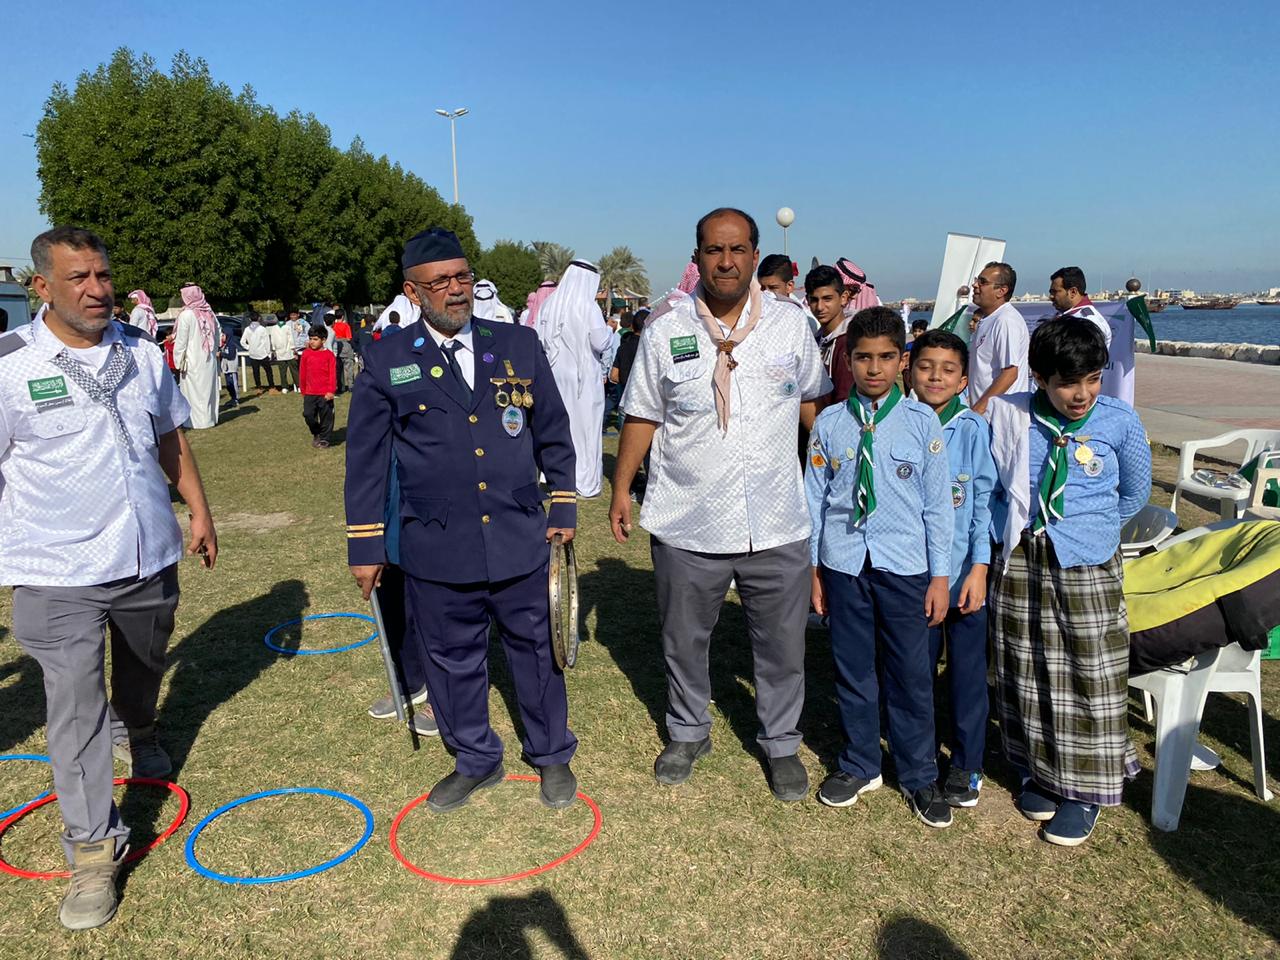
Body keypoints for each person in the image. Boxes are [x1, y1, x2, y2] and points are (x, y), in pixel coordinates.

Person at [0, 226, 217, 930]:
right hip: (55, 570)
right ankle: (94, 851)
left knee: (145, 663)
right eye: (79, 278)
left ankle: (141, 726)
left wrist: (199, 509)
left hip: (146, 554)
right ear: (42, 286)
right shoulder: (9, 366)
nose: (97, 290)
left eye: (103, 275)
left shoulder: (141, 352)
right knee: (75, 707)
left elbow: (168, 436)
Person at [344, 226, 579, 813]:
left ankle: (551, 753)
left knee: (536, 650)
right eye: (440, 282)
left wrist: (564, 501)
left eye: (462, 277)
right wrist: (366, 545)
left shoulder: (518, 343)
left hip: (518, 531)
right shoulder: (387, 357)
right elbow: (366, 459)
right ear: (412, 292)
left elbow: (552, 427)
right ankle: (475, 759)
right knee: (451, 659)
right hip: (437, 540)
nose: (456, 290)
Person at [610, 207, 830, 802]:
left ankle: (780, 742)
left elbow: (813, 406)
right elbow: (642, 413)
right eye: (713, 250)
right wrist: (622, 487)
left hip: (777, 518)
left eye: (737, 250)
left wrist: (835, 472)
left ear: (755, 255)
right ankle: (688, 731)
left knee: (782, 644)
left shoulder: (790, 326)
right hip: (689, 517)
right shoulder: (665, 331)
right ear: (698, 257)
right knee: (684, 639)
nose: (726, 261)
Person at [986, 318, 1151, 846]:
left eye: (1093, 379)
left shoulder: (1119, 421)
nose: (1081, 395)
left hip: (1087, 561)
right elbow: (995, 487)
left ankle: (1086, 790)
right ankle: (1040, 770)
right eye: (1066, 383)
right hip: (1024, 558)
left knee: (1089, 673)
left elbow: (1135, 493)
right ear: (1038, 378)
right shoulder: (1011, 416)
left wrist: (1089, 529)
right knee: (1026, 667)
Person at [806, 306, 954, 828]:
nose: (874, 368)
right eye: (864, 358)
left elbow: (938, 506)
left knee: (911, 673)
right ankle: (860, 762)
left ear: (902, 360)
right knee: (852, 667)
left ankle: (918, 774)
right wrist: (814, 569)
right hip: (844, 563)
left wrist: (941, 576)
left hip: (906, 567)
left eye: (886, 357)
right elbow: (815, 499)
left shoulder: (922, 423)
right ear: (848, 360)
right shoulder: (829, 424)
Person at [906, 328, 998, 809]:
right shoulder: (899, 423)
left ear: (964, 381)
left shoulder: (973, 429)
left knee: (966, 674)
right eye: (925, 367)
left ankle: (967, 763)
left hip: (963, 575)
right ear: (909, 371)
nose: (935, 377)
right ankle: (919, 756)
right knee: (914, 670)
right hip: (913, 573)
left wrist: (980, 568)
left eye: (947, 370)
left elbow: (983, 501)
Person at [537, 260, 613, 498]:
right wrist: (609, 331)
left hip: (554, 374)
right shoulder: (588, 307)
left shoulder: (549, 304)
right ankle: (585, 482)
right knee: (585, 429)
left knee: (557, 427)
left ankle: (555, 477)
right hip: (583, 379)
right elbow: (600, 343)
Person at [967, 261, 1027, 416]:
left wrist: (978, 410)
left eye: (983, 282)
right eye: (977, 280)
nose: (975, 285)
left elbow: (1010, 373)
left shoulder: (1006, 320)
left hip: (1000, 418)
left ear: (1001, 291)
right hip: (985, 416)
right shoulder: (988, 319)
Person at [173, 284, 220, 428]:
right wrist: (214, 352)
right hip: (208, 359)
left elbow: (181, 341)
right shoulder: (209, 312)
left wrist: (178, 361)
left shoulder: (186, 315)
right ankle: (210, 419)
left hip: (192, 359)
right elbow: (218, 335)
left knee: (193, 392)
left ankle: (196, 422)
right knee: (208, 390)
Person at [806, 264, 855, 404]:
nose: (820, 307)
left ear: (843, 298)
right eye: (814, 300)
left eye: (827, 299)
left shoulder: (848, 342)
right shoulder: (815, 340)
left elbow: (845, 399)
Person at [1049, 266, 1111, 348]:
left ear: (1073, 292)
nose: (1051, 296)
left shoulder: (1089, 322)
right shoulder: (1064, 315)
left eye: (1054, 292)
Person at [299, 324, 337, 446]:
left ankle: (325, 438)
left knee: (326, 417)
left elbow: (332, 374)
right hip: (310, 392)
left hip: (325, 393)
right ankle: (316, 432)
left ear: (323, 340)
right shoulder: (306, 354)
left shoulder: (329, 355)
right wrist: (303, 390)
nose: (312, 342)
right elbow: (302, 372)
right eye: (310, 339)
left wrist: (331, 391)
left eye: (315, 339)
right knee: (308, 415)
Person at [240, 310, 273, 393]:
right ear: (259, 318)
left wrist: (249, 347)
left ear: (250, 319)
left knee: (256, 371)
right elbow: (267, 342)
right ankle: (272, 387)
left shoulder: (247, 329)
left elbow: (242, 342)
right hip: (263, 353)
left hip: (253, 354)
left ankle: (259, 387)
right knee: (268, 371)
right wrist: (268, 353)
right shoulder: (262, 329)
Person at [265, 313, 294, 393]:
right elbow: (291, 339)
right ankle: (297, 386)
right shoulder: (287, 327)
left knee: (282, 371)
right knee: (293, 370)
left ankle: (284, 387)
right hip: (288, 351)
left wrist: (274, 349)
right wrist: (293, 348)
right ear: (285, 318)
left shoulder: (273, 328)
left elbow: (272, 340)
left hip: (279, 351)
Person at [332, 305, 355, 392]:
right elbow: (349, 338)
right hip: (346, 348)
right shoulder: (346, 326)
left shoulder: (333, 326)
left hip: (337, 349)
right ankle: (350, 386)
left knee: (338, 370)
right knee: (349, 369)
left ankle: (340, 386)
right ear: (343, 316)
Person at [218, 326, 241, 409]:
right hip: (226, 369)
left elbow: (231, 356)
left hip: (232, 368)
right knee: (229, 385)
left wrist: (221, 354)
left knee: (233, 384)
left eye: (223, 335)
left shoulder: (231, 345)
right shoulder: (224, 345)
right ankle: (232, 398)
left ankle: (236, 399)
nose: (222, 337)